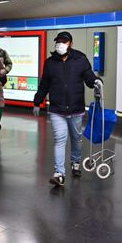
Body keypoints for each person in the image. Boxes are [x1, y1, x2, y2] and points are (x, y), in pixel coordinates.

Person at [33, 31, 103, 186]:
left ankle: (76, 162)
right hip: (57, 109)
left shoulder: (80, 59)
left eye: (64, 42)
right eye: (58, 41)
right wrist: (37, 101)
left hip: (76, 107)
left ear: (70, 43)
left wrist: (96, 81)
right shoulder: (50, 62)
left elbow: (88, 76)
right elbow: (44, 83)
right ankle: (59, 173)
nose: (60, 44)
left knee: (76, 139)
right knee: (60, 139)